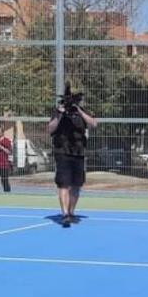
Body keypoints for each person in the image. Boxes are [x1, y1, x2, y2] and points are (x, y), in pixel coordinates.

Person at [47, 85, 97, 227]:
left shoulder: (81, 111)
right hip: (62, 151)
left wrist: (79, 111)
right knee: (63, 183)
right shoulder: (58, 112)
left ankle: (71, 212)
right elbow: (50, 128)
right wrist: (59, 113)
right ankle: (65, 214)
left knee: (76, 184)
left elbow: (93, 124)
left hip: (79, 152)